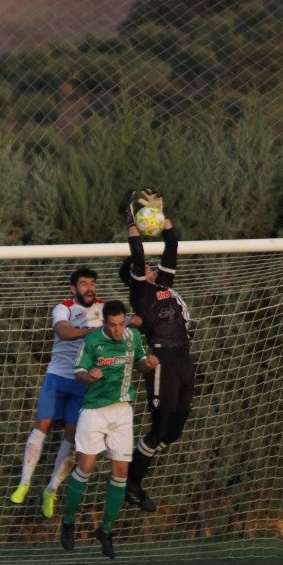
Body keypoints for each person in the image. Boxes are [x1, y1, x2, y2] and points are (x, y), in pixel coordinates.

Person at [117, 188, 196, 513]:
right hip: (162, 360)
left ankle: (135, 475)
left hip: (184, 361)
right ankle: (131, 484)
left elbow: (173, 244)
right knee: (160, 427)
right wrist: (129, 216)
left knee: (174, 431)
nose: (149, 266)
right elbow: (136, 250)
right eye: (143, 267)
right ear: (134, 276)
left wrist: (162, 218)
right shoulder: (140, 292)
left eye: (150, 266)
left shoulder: (163, 286)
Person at [59, 299, 158, 558]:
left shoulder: (132, 336)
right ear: (104, 323)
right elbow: (78, 371)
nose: (117, 330)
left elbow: (139, 361)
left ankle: (106, 530)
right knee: (86, 467)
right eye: (112, 325)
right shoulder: (92, 343)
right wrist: (88, 375)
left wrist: (148, 364)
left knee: (121, 471)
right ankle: (69, 521)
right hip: (94, 411)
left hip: (122, 410)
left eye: (120, 324)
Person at [12, 267, 105, 519]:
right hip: (57, 377)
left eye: (92, 283)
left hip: (83, 381)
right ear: (73, 289)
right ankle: (24, 483)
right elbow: (62, 332)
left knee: (73, 437)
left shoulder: (104, 309)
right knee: (42, 424)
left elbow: (122, 325)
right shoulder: (62, 308)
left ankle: (51, 490)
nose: (89, 288)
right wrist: (92, 332)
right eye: (84, 284)